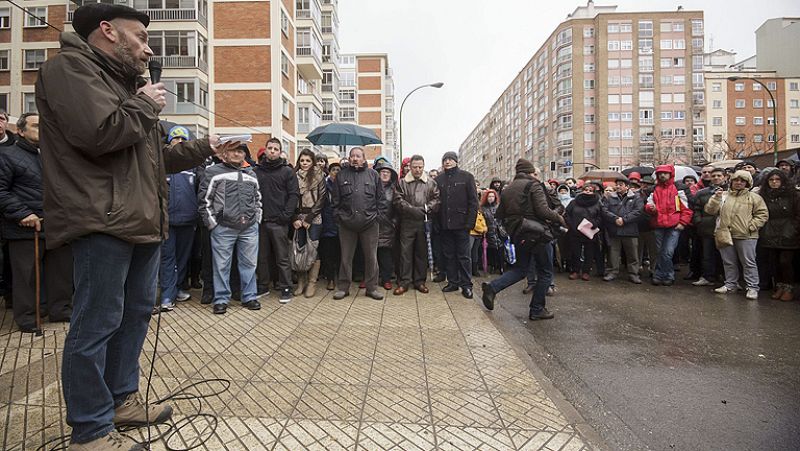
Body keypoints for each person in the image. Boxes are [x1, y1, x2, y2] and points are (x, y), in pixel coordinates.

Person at [35, 4, 239, 449]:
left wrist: (206, 146)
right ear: (108, 31)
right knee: (97, 322)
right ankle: (90, 430)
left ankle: (121, 401)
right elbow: (99, 135)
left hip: (139, 219)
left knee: (134, 316)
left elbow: (151, 159)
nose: (148, 49)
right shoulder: (70, 69)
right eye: (142, 38)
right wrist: (145, 104)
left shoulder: (124, 85)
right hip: (102, 218)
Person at [0, 112, 74, 331]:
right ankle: (29, 317)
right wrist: (22, 213)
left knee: (61, 271)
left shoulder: (54, 156)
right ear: (21, 131)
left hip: (57, 225)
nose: (42, 130)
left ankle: (60, 309)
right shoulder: (7, 155)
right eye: (36, 126)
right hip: (26, 227)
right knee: (27, 275)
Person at [481, 159, 565, 320]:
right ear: (529, 171)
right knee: (546, 272)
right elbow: (543, 211)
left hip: (519, 235)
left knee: (520, 269)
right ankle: (537, 309)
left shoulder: (507, 189)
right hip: (538, 234)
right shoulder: (533, 185)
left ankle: (492, 288)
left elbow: (500, 215)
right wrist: (560, 219)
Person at [199, 143, 261, 314]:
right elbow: (205, 201)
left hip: (249, 228)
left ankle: (249, 296)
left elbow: (258, 199)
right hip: (223, 228)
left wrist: (257, 220)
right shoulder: (213, 172)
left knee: (249, 264)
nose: (237, 154)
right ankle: (221, 299)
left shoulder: (251, 174)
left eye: (240, 151)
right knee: (221, 265)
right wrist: (213, 224)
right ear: (224, 153)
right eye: (234, 150)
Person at [331, 147, 385, 300]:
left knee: (371, 258)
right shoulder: (341, 175)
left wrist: (377, 218)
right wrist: (339, 218)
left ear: (364, 158)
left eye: (358, 156)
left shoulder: (373, 175)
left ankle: (371, 288)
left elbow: (381, 199)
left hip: (370, 224)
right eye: (352, 156)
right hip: (346, 224)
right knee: (346, 258)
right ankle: (343, 288)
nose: (355, 158)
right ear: (348, 158)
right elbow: (335, 201)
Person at [705, 170, 768, 300]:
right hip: (724, 233)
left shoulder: (754, 197)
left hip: (746, 235)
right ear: (731, 181)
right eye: (736, 180)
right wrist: (716, 198)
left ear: (747, 183)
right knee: (728, 262)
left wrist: (751, 226)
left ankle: (752, 287)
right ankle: (730, 284)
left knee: (748, 262)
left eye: (742, 181)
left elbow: (762, 214)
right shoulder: (723, 195)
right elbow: (710, 210)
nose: (738, 183)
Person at [158, 126, 198, 311]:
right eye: (175, 139)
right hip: (166, 221)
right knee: (168, 258)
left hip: (188, 220)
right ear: (169, 142)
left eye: (183, 140)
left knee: (183, 258)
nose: (179, 142)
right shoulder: (162, 164)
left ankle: (178, 287)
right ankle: (167, 295)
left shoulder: (194, 166)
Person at [255, 138, 298, 303]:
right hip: (261, 222)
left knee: (282, 258)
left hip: (279, 222)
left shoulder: (287, 172)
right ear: (265, 150)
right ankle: (263, 286)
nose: (272, 151)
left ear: (280, 152)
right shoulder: (256, 171)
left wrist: (285, 216)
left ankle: (286, 287)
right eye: (270, 148)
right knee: (262, 257)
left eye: (276, 149)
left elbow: (294, 195)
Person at [393, 155, 440, 295]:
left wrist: (426, 209)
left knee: (422, 253)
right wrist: (412, 210)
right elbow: (397, 200)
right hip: (407, 222)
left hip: (424, 222)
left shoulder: (431, 183)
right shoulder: (402, 183)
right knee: (404, 253)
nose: (418, 170)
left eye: (420, 167)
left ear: (423, 166)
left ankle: (420, 282)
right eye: (415, 167)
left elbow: (437, 200)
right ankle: (404, 282)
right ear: (410, 167)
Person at [435, 151, 479, 299]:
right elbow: (436, 202)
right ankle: (453, 282)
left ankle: (466, 285)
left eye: (450, 159)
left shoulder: (467, 177)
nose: (447, 162)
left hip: (462, 224)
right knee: (449, 255)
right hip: (445, 225)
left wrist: (469, 223)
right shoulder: (439, 179)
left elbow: (473, 202)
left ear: (456, 161)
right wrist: (437, 223)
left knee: (464, 256)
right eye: (445, 159)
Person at [644, 165, 693, 286]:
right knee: (660, 251)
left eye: (665, 173)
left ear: (670, 174)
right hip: (658, 225)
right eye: (660, 173)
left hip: (674, 226)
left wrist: (682, 223)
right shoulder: (653, 189)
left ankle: (665, 274)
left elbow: (686, 208)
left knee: (668, 252)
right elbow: (648, 206)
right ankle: (662, 274)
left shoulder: (679, 189)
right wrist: (651, 209)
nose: (662, 175)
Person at [756, 169, 799, 301]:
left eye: (777, 179)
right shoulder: (764, 195)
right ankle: (780, 286)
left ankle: (789, 288)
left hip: (789, 232)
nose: (774, 182)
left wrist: (792, 230)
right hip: (770, 232)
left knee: (785, 261)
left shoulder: (794, 195)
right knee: (774, 262)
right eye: (771, 180)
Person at [292, 148, 326, 298]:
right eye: (302, 160)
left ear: (312, 162)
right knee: (300, 248)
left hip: (314, 217)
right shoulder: (293, 176)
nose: (304, 163)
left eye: (308, 160)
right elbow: (289, 197)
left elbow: (322, 198)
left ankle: (312, 282)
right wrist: (295, 218)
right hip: (298, 217)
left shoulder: (319, 176)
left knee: (313, 248)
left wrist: (309, 218)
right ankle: (301, 282)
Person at [601, 177, 643, 283]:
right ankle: (612, 272)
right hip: (614, 230)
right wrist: (615, 219)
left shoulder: (636, 197)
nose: (618, 186)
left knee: (632, 253)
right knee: (613, 253)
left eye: (621, 184)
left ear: (627, 187)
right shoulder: (610, 197)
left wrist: (624, 220)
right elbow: (604, 210)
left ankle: (633, 274)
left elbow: (638, 211)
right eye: (617, 184)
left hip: (630, 230)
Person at [690, 167, 727, 287]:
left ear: (725, 177)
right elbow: (696, 209)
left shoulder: (731, 192)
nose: (716, 178)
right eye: (714, 175)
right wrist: (699, 222)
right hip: (707, 228)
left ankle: (726, 278)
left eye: (719, 175)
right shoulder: (702, 193)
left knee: (726, 255)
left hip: (725, 228)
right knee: (707, 254)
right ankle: (707, 276)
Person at [565, 184, 603, 281]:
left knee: (589, 253)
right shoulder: (574, 202)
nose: (587, 192)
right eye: (586, 190)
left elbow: (601, 216)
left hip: (590, 231)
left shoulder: (598, 203)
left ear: (594, 192)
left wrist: (595, 223)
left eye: (590, 190)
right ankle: (575, 271)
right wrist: (571, 225)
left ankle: (586, 272)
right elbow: (567, 214)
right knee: (575, 252)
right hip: (575, 231)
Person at [374, 159, 398, 290]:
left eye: (387, 172)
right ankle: (370, 278)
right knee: (370, 254)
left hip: (388, 226)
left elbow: (398, 207)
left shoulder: (394, 189)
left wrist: (394, 222)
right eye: (382, 171)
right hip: (372, 224)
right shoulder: (371, 187)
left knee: (386, 255)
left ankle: (386, 279)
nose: (384, 174)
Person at [319, 162, 341, 290]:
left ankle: (339, 277)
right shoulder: (324, 185)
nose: (336, 172)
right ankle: (330, 279)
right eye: (334, 169)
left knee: (340, 253)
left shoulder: (344, 185)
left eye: (339, 170)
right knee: (328, 253)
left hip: (341, 224)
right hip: (327, 222)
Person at [481, 189, 505, 274]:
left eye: (493, 196)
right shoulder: (482, 208)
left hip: (499, 230)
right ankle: (493, 265)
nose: (491, 198)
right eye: (489, 196)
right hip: (488, 231)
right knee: (491, 249)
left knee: (500, 248)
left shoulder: (498, 206)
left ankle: (501, 266)